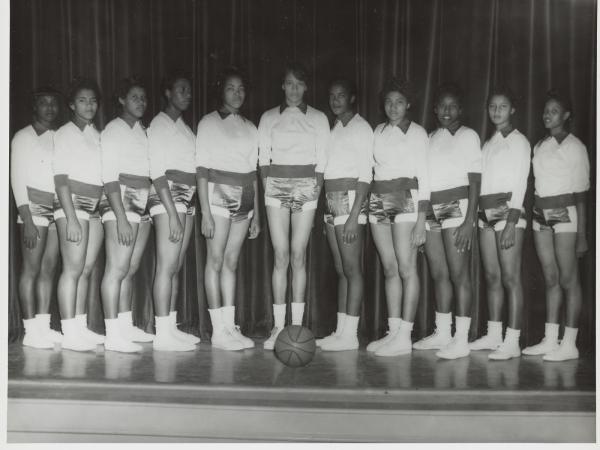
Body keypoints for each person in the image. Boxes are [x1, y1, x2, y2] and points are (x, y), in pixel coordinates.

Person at [258, 62, 330, 349]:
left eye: (299, 84)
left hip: (307, 186)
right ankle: (278, 327)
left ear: (307, 87)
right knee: (281, 255)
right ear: (282, 86)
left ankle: (297, 326)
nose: (294, 90)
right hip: (275, 185)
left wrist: (314, 193)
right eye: (289, 83)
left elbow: (322, 161)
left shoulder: (319, 118)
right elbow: (263, 160)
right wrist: (268, 194)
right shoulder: (268, 118)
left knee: (299, 255)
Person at [412, 83, 481, 360]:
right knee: (438, 273)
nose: (447, 111)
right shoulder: (430, 137)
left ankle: (461, 339)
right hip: (432, 209)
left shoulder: (469, 136)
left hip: (457, 207)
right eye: (442, 106)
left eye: (452, 106)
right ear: (435, 109)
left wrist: (469, 221)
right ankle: (443, 332)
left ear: (461, 110)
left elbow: (475, 181)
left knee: (458, 274)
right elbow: (424, 179)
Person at [363, 77, 429, 356]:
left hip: (406, 200)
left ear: (408, 104)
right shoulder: (377, 130)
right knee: (389, 268)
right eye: (389, 102)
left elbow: (426, 177)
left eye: (399, 102)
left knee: (406, 268)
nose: (393, 107)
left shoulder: (417, 133)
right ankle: (392, 333)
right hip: (379, 199)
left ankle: (405, 335)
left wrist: (421, 220)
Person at [196, 67, 261, 351]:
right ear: (221, 91)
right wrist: (206, 212)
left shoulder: (250, 126)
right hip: (218, 193)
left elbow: (254, 171)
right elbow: (201, 170)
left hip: (245, 195)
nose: (237, 93)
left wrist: (256, 211)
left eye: (241, 89)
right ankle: (218, 330)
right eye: (231, 88)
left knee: (231, 262)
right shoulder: (209, 122)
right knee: (216, 260)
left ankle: (230, 326)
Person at [522, 89, 589, 362]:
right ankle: (551, 339)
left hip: (565, 212)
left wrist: (582, 235)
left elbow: (582, 195)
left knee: (568, 278)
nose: (547, 115)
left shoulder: (575, 146)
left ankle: (569, 342)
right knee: (550, 277)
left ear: (566, 115)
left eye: (554, 111)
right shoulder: (539, 145)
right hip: (541, 213)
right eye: (545, 111)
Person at [469, 86, 530, 360]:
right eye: (492, 106)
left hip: (508, 213)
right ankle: (494, 335)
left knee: (510, 277)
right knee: (492, 276)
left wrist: (511, 222)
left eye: (502, 107)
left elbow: (521, 182)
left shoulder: (519, 141)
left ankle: (512, 340)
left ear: (512, 110)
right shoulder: (489, 142)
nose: (496, 111)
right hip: (486, 213)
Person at [99, 77, 155, 352]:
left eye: (143, 98)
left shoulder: (142, 131)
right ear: (121, 100)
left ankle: (124, 326)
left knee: (130, 269)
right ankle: (112, 335)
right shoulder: (113, 130)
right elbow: (108, 178)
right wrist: (120, 216)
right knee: (117, 268)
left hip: (142, 200)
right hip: (120, 200)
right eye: (134, 97)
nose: (141, 102)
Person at [318, 78, 373, 351]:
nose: (335, 100)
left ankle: (351, 334)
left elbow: (366, 175)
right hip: (331, 200)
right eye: (332, 95)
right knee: (341, 270)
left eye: (341, 95)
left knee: (352, 269)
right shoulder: (334, 127)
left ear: (352, 97)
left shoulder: (362, 128)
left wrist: (353, 215)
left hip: (351, 200)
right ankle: (340, 331)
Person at [52, 77, 105, 351]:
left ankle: (81, 327)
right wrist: (71, 217)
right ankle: (69, 331)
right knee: (72, 269)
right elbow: (60, 179)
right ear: (72, 104)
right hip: (72, 204)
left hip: (94, 207)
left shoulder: (97, 134)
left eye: (93, 100)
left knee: (85, 269)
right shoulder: (64, 133)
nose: (89, 105)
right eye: (83, 100)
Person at [147, 72, 199, 351]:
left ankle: (171, 328)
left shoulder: (185, 127)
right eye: (181, 88)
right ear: (167, 92)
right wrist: (172, 212)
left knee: (175, 267)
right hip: (168, 197)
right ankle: (162, 334)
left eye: (189, 90)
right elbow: (156, 172)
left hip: (187, 198)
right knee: (166, 266)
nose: (187, 94)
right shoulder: (158, 124)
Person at [11, 86, 64, 348]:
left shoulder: (58, 137)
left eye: (53, 103)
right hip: (33, 208)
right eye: (44, 103)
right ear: (35, 107)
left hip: (56, 208)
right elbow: (16, 179)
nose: (50, 108)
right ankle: (30, 330)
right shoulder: (22, 137)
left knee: (48, 269)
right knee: (30, 270)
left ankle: (43, 327)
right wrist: (27, 219)